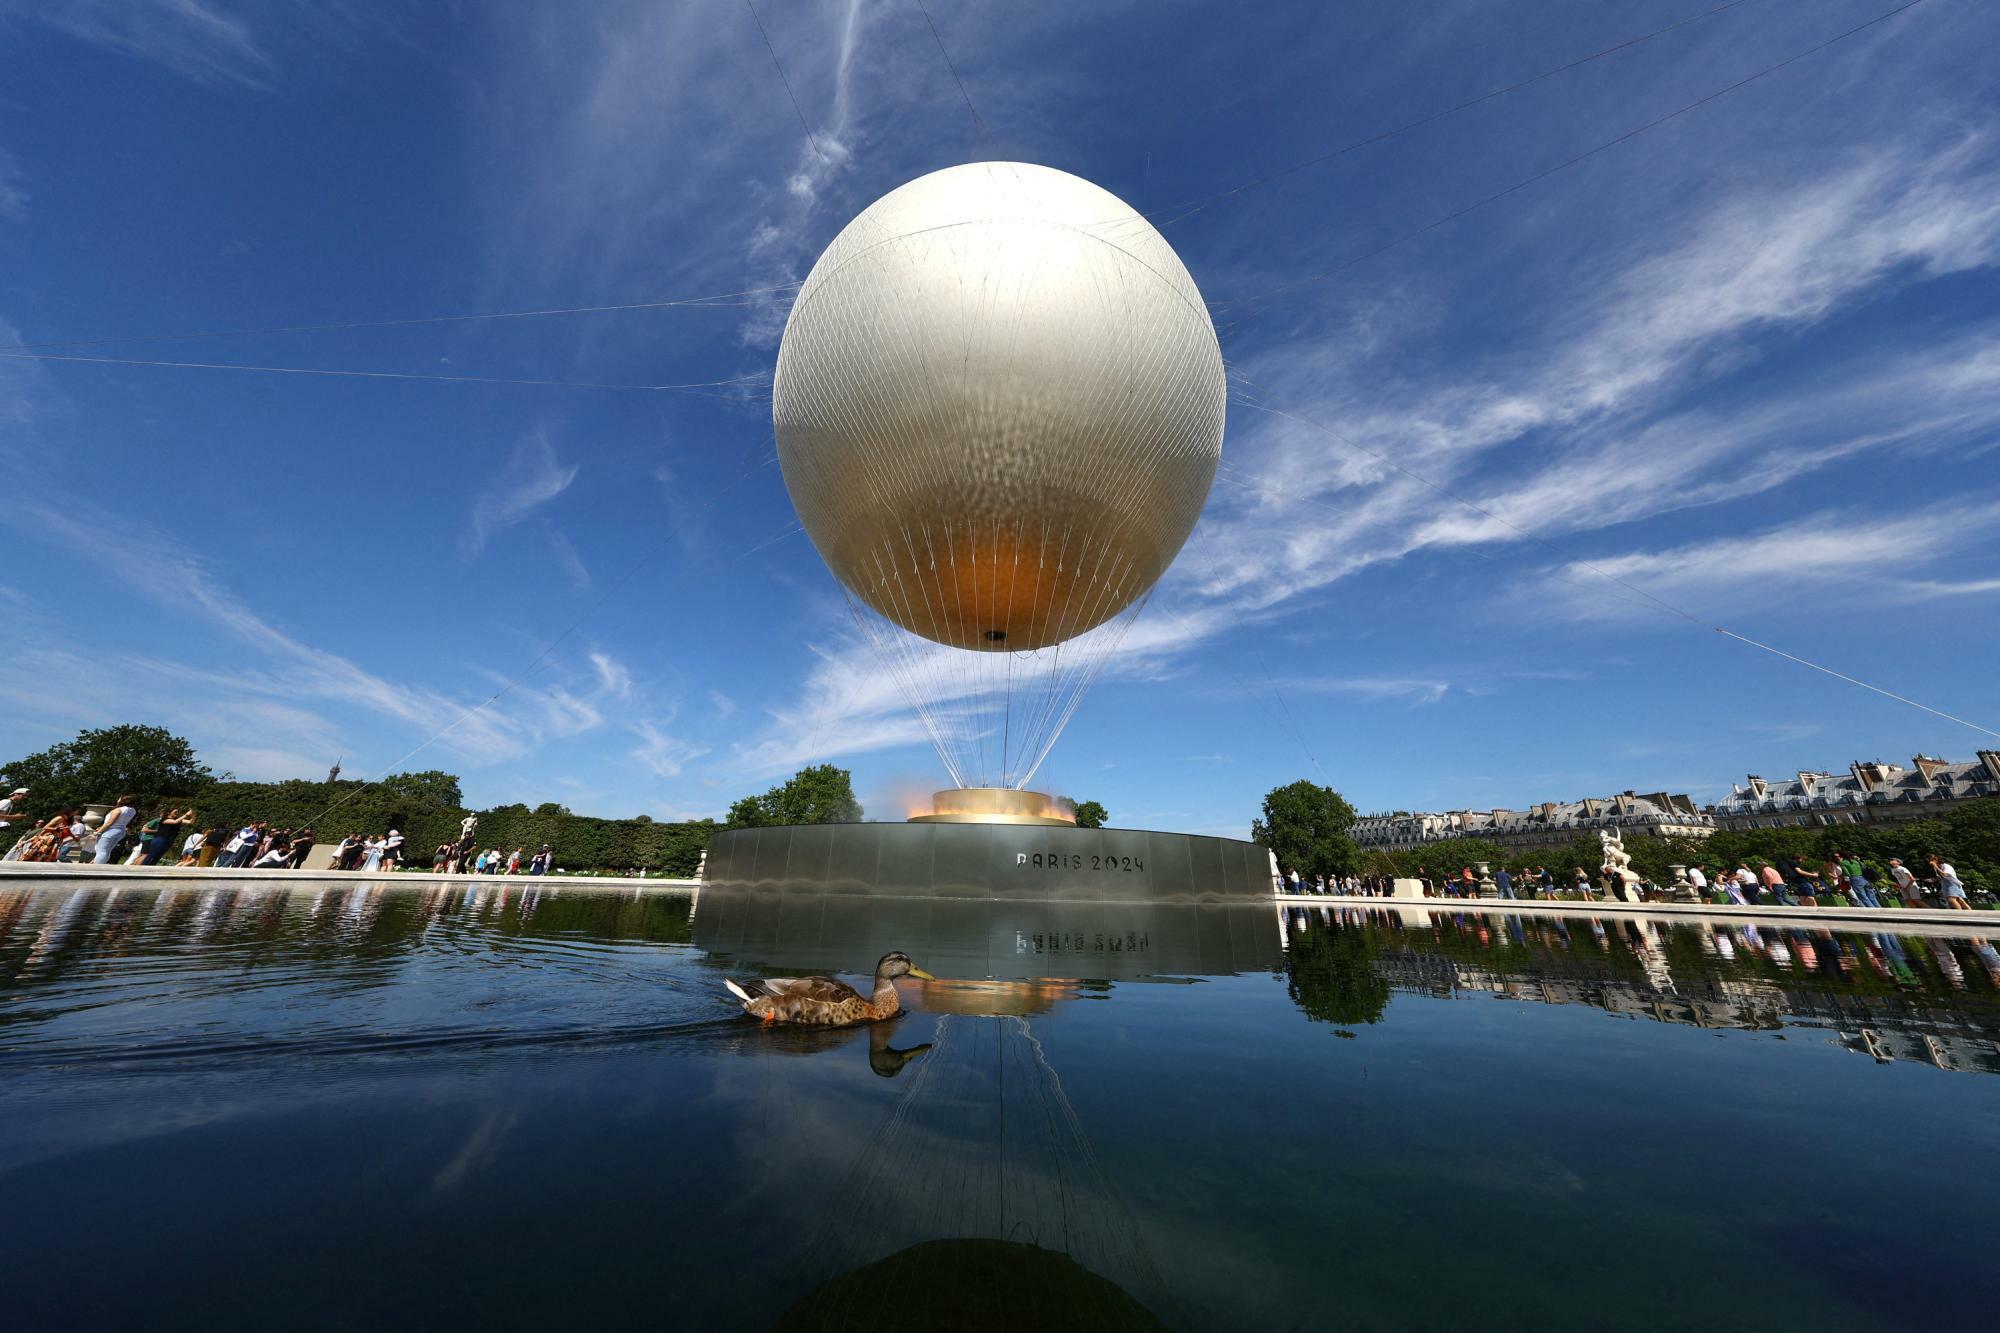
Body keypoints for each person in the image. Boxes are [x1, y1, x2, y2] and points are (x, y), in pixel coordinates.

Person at [93, 795, 140, 864]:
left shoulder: (118, 810)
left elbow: (110, 822)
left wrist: (99, 831)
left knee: (101, 850)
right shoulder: (133, 810)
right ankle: (101, 865)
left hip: (110, 831)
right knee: (107, 851)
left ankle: (96, 866)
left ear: (122, 800)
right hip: (121, 831)